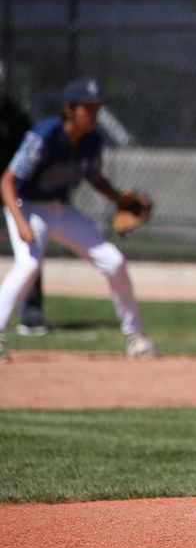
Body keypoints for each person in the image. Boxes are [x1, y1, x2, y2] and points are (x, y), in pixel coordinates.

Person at [0, 78, 154, 362]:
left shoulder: (92, 141)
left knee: (114, 262)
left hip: (62, 209)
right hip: (28, 206)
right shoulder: (45, 135)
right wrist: (21, 222)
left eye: (97, 108)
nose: (94, 114)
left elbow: (94, 177)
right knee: (29, 265)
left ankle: (134, 336)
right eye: (88, 108)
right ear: (70, 109)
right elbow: (7, 181)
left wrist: (117, 198)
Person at [0, 93, 48, 335]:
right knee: (29, 261)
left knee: (31, 257)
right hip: (12, 185)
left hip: (16, 187)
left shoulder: (17, 118)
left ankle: (31, 316)